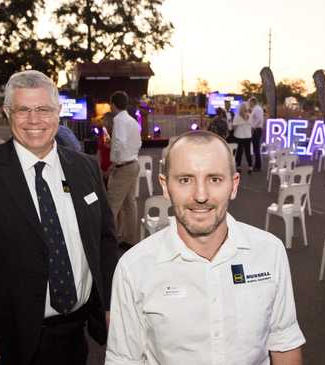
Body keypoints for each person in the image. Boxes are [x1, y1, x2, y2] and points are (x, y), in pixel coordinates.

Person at [0, 70, 118, 365]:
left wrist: (110, 302)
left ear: (58, 112)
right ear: (8, 112)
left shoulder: (85, 168)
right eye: (23, 109)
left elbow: (105, 240)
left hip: (77, 333)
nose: (34, 120)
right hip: (9, 340)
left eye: (44, 109)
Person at [105, 130, 305, 364]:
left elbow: (284, 345)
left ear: (234, 185)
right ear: (165, 187)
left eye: (215, 179)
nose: (201, 195)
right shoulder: (134, 268)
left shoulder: (269, 252)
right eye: (185, 180)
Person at [107, 91, 141, 245]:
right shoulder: (132, 120)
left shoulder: (119, 120)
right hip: (133, 163)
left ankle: (108, 240)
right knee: (130, 204)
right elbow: (138, 143)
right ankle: (130, 238)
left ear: (113, 104)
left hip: (124, 166)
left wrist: (115, 162)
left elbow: (120, 142)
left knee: (112, 205)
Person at [233, 102, 253, 173]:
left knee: (239, 152)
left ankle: (238, 166)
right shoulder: (250, 116)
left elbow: (234, 126)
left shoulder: (237, 116)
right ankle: (250, 166)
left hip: (239, 136)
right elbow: (252, 126)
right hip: (248, 136)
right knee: (248, 152)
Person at [248, 96, 265, 171]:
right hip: (256, 129)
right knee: (255, 148)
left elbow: (259, 119)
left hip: (256, 130)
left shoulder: (257, 109)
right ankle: (257, 165)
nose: (249, 104)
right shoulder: (256, 109)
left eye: (250, 102)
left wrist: (253, 127)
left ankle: (258, 166)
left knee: (256, 148)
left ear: (253, 102)